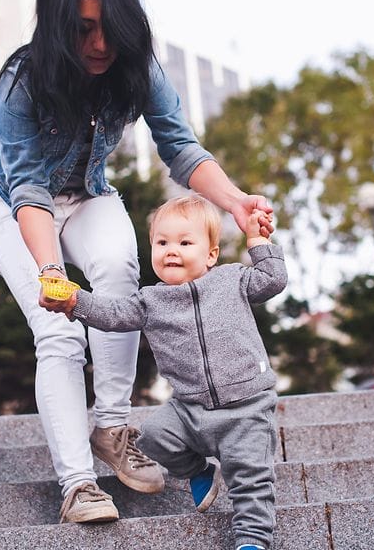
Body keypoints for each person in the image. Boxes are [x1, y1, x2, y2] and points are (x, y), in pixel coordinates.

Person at [0, 0, 274, 525]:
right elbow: (26, 188)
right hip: (16, 203)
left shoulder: (138, 69)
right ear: (59, 26)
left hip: (90, 193)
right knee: (59, 331)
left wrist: (234, 201)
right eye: (83, 30)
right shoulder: (24, 78)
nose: (98, 46)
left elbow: (180, 147)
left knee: (120, 271)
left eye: (109, 30)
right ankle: (78, 485)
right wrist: (50, 273)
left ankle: (111, 425)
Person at [45, 194, 285, 550]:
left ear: (211, 255)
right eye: (162, 242)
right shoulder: (149, 302)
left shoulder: (233, 280)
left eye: (185, 242)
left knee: (249, 478)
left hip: (246, 407)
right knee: (153, 437)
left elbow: (273, 279)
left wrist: (257, 241)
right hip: (190, 408)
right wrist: (75, 300)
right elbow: (111, 314)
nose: (171, 250)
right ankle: (199, 471)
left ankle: (252, 540)